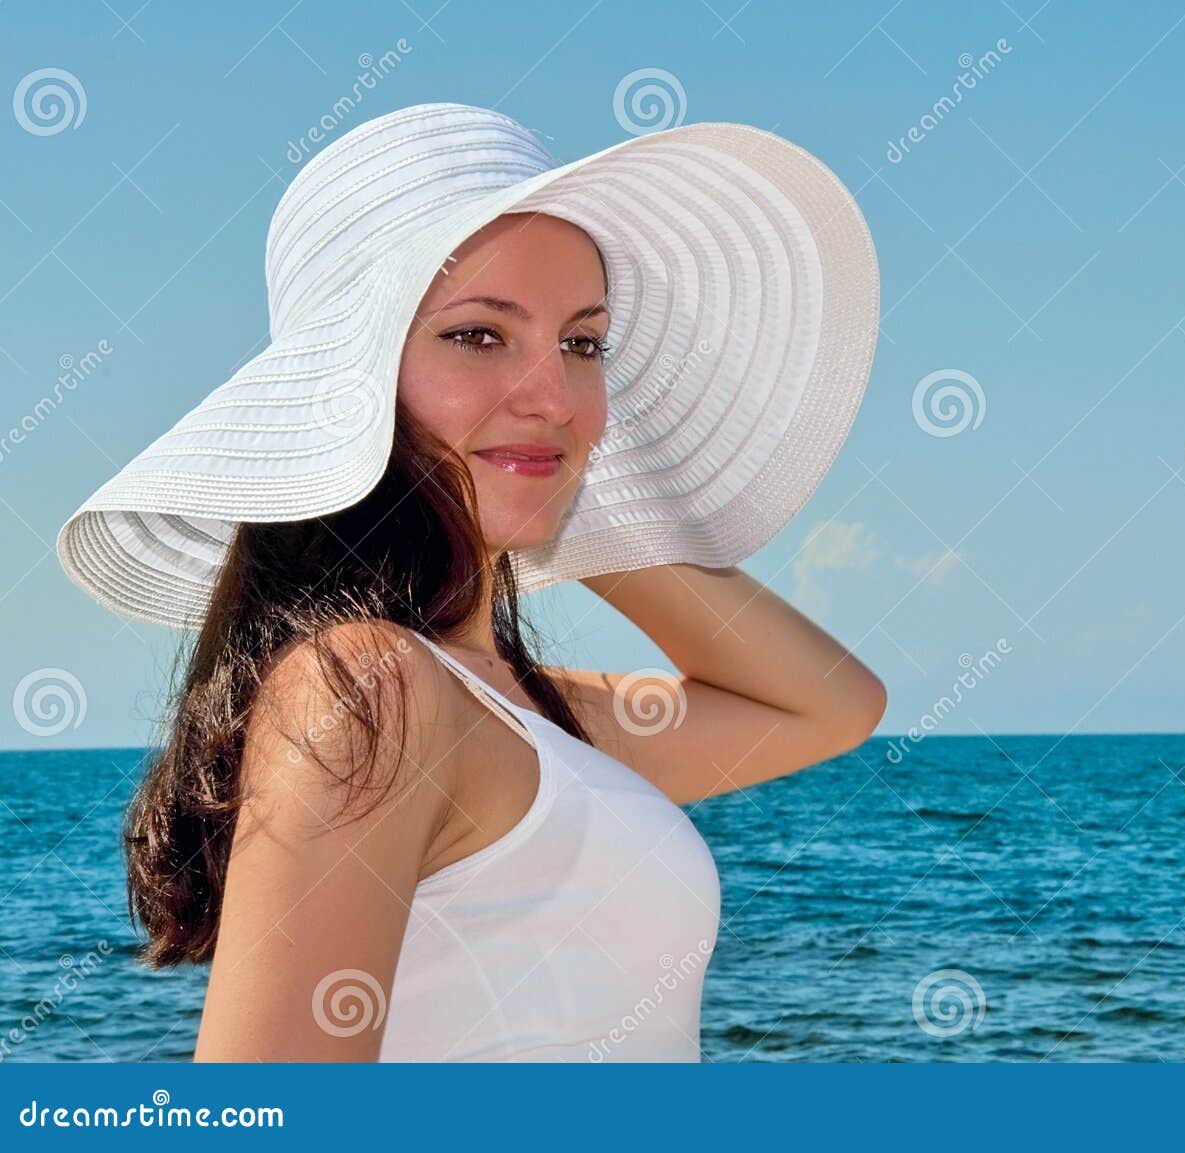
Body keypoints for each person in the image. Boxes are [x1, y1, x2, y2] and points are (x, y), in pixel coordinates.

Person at [54, 102, 884, 1061]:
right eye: (480, 335)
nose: (555, 394)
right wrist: (538, 465)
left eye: (582, 344)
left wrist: (566, 483)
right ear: (351, 386)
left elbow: (829, 704)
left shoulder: (506, 711)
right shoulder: (372, 691)